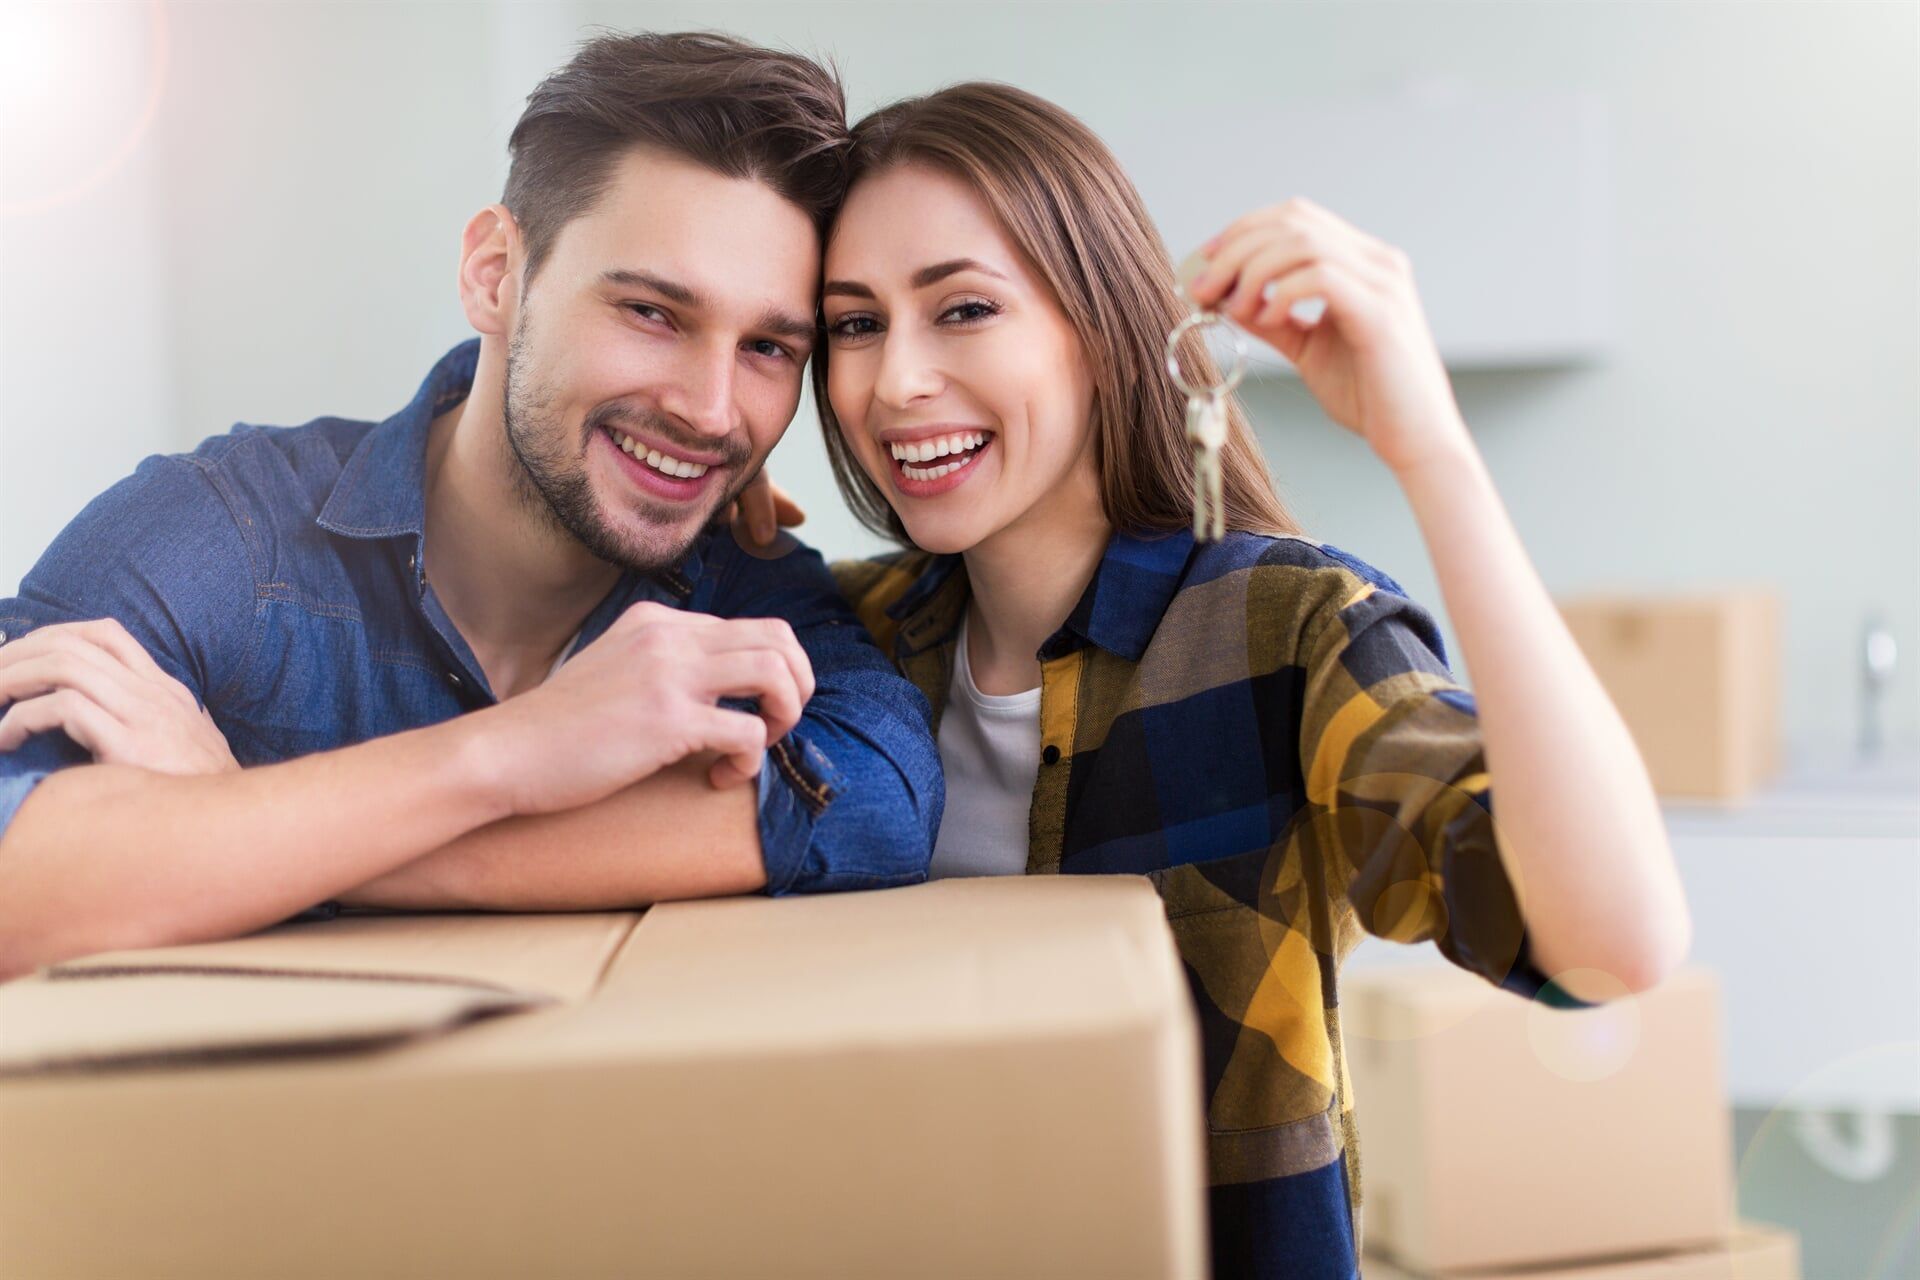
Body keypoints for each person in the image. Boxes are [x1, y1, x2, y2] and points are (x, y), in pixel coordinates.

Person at [816, 82, 1691, 1279]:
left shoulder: (1277, 631)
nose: (894, 381)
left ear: (1101, 324)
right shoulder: (846, 636)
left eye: (962, 308)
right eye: (852, 326)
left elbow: (1608, 948)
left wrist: (1427, 446)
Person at [0, 32, 942, 981]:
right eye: (652, 313)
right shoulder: (220, 533)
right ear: (495, 273)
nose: (709, 410)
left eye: (768, 349)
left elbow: (881, 800)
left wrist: (241, 817)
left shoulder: (744, 580)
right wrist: (507, 756)